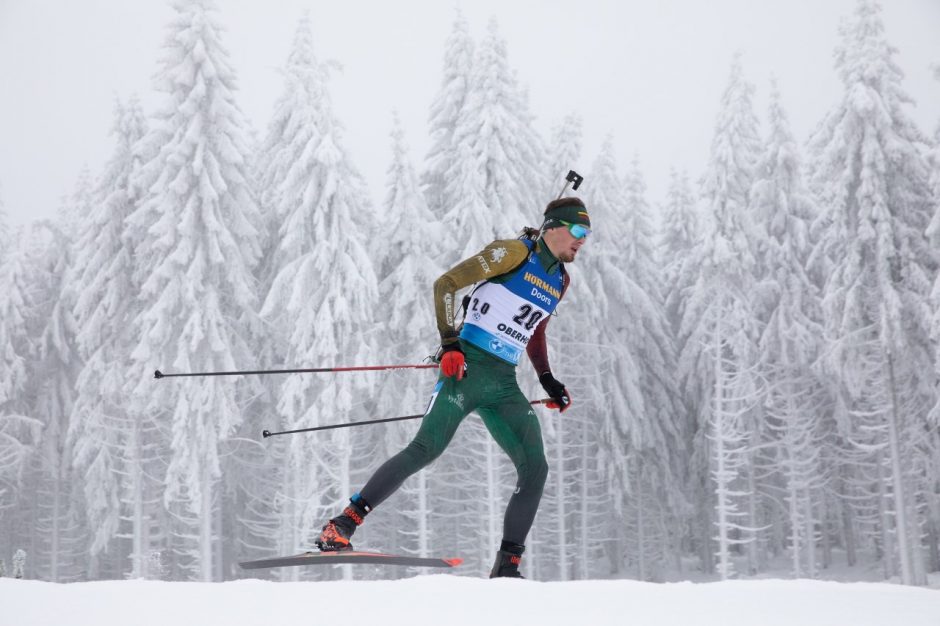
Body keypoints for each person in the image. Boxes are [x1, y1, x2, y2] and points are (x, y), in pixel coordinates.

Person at [316, 197, 591, 578]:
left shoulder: (560, 280)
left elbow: (536, 327)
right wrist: (450, 344)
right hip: (466, 369)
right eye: (578, 231)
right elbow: (446, 284)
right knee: (426, 448)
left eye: (587, 234)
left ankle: (507, 568)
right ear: (553, 227)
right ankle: (342, 524)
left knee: (536, 468)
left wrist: (547, 378)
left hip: (504, 384)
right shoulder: (512, 253)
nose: (582, 240)